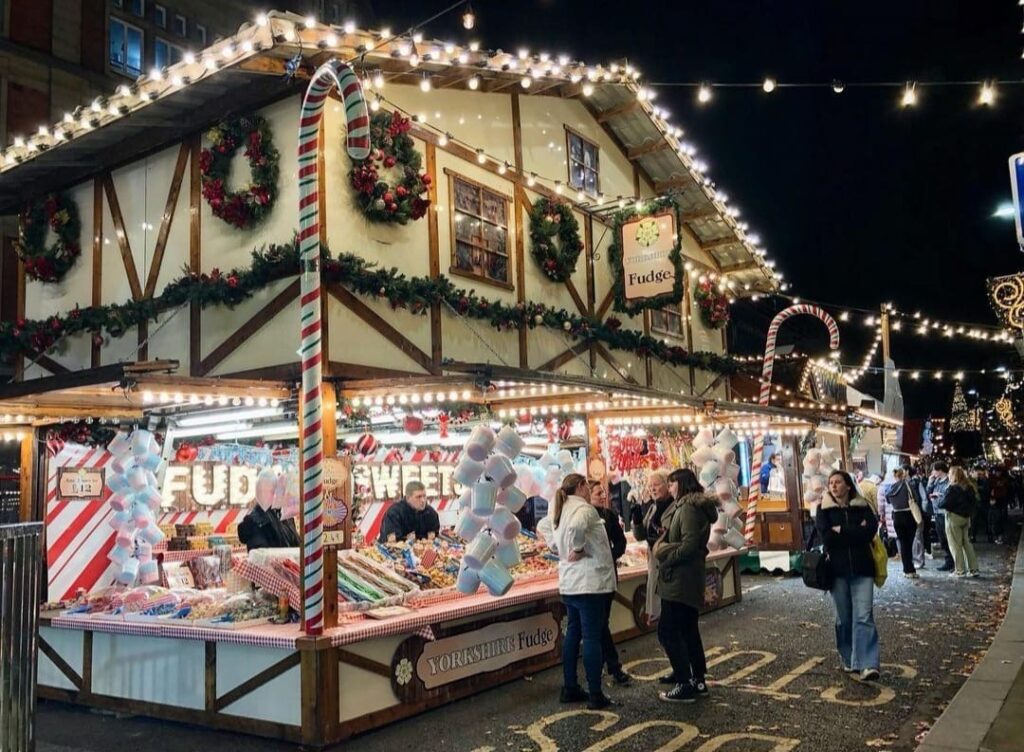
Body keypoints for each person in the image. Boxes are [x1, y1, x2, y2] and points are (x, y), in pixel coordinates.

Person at [537, 474, 616, 710]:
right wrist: (578, 547)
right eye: (588, 486)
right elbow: (576, 528)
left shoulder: (560, 508)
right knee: (591, 638)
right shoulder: (585, 509)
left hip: (571, 582)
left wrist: (556, 545)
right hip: (589, 582)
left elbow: (544, 526)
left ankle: (570, 686)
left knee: (573, 634)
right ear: (581, 487)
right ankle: (595, 693)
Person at [647, 468, 717, 703]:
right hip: (687, 577)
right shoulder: (692, 507)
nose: (670, 487)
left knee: (667, 631)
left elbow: (688, 544)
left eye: (672, 483)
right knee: (688, 629)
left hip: (679, 579)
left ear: (682, 484)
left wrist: (667, 557)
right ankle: (696, 679)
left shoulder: (686, 508)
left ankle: (684, 682)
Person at [815, 470, 881, 682]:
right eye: (831, 483)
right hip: (837, 571)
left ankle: (867, 663)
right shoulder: (823, 510)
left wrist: (841, 530)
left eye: (838, 482)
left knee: (864, 616)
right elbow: (827, 538)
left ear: (848, 485)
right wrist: (853, 532)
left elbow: (869, 532)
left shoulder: (863, 507)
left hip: (863, 568)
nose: (834, 486)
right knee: (844, 619)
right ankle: (848, 656)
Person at [588, 479, 631, 686]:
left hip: (606, 576)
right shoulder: (579, 518)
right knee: (599, 624)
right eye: (598, 493)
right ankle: (612, 666)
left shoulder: (609, 515)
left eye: (602, 492)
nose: (602, 496)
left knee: (601, 622)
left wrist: (608, 556)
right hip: (587, 579)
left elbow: (621, 543)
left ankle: (606, 666)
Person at [630, 470, 675, 622]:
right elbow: (640, 535)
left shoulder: (676, 508)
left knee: (671, 620)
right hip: (654, 565)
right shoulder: (653, 508)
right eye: (650, 486)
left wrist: (658, 539)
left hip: (670, 567)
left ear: (668, 485)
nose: (652, 489)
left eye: (656, 485)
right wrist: (636, 518)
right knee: (662, 619)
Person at [943, 466, 980, 578]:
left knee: (955, 545)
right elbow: (974, 502)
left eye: (950, 473)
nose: (948, 475)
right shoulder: (969, 487)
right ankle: (973, 569)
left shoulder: (952, 488)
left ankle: (960, 570)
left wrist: (938, 499)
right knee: (967, 543)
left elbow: (944, 503)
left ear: (953, 475)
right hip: (966, 518)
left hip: (953, 517)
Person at [883, 468, 918, 578]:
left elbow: (888, 500)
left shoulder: (890, 488)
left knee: (903, 543)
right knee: (909, 543)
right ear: (904, 475)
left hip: (897, 516)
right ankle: (910, 569)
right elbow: (915, 498)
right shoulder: (908, 485)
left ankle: (907, 569)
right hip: (909, 515)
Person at [926, 462, 955, 572]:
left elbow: (949, 496)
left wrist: (939, 495)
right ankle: (948, 561)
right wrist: (930, 482)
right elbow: (928, 492)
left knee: (949, 538)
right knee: (942, 539)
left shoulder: (948, 482)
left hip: (945, 513)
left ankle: (954, 562)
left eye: (934, 470)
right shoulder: (936, 481)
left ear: (940, 470)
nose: (933, 473)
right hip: (937, 512)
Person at [970, 467, 991, 543]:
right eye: (978, 474)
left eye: (980, 474)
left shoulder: (985, 481)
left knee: (986, 520)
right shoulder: (973, 481)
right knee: (974, 520)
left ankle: (989, 535)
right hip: (976, 503)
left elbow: (987, 490)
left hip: (984, 502)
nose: (979, 476)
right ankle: (973, 536)